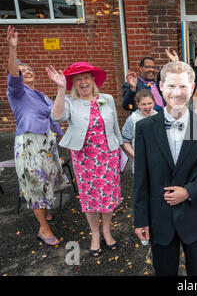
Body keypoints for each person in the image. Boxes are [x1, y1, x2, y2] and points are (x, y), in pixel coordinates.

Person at [133, 61, 197, 276]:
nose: (177, 92)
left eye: (183, 86)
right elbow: (141, 178)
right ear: (161, 86)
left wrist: (189, 191)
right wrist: (140, 219)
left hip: (195, 217)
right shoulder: (144, 128)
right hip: (160, 218)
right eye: (171, 86)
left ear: (192, 88)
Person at [49, 62, 123, 257]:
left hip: (108, 156)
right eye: (78, 79)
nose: (83, 82)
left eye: (86, 78)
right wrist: (59, 88)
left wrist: (120, 148)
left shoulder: (107, 99)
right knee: (90, 198)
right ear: (73, 83)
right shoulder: (69, 101)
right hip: (85, 159)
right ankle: (95, 235)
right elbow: (56, 116)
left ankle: (107, 231)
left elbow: (115, 126)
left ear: (92, 80)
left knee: (107, 196)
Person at [6, 26, 68, 246]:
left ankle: (43, 211)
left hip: (47, 142)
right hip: (30, 143)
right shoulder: (17, 92)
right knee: (36, 184)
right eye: (22, 70)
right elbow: (13, 75)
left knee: (48, 179)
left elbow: (53, 117)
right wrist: (13, 50)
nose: (26, 71)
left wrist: (61, 136)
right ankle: (43, 228)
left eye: (29, 68)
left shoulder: (40, 95)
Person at [122, 89, 158, 170]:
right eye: (143, 104)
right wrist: (137, 156)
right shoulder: (132, 119)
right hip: (141, 164)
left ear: (154, 102)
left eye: (149, 103)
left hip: (157, 162)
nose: (147, 107)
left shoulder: (159, 117)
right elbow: (125, 141)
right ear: (138, 104)